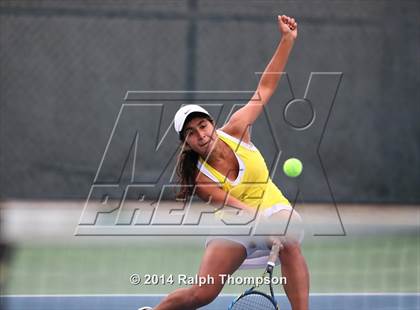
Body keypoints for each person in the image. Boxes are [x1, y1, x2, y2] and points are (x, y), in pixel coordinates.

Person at [149, 15, 309, 310]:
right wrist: (263, 227)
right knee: (202, 294)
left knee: (290, 235)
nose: (200, 134)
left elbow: (267, 87)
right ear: (186, 142)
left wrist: (287, 40)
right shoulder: (201, 179)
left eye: (203, 125)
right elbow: (241, 210)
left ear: (212, 124)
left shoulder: (237, 128)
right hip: (237, 222)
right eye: (191, 133)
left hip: (273, 206)